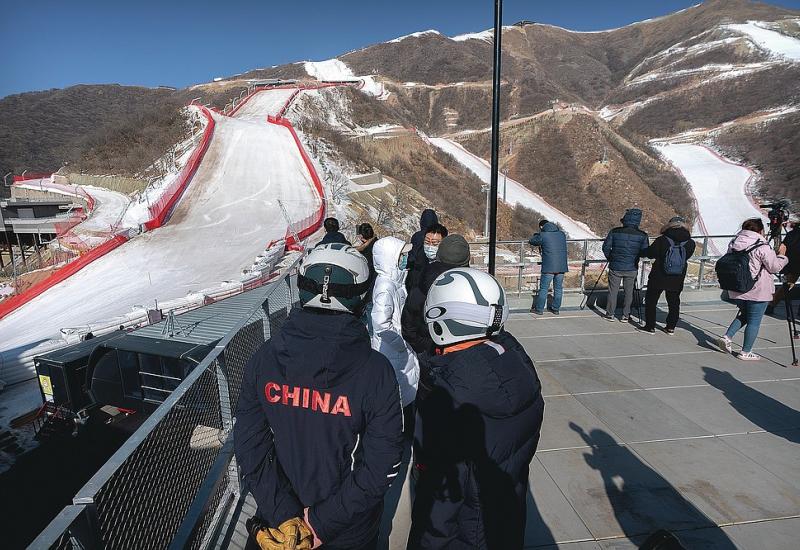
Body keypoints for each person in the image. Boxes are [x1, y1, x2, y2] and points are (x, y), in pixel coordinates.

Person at [234, 243, 404, 550]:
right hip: (346, 528)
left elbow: (250, 447)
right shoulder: (376, 372)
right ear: (362, 298)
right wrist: (319, 524)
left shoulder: (264, 359)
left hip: (279, 526)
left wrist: (285, 516)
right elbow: (382, 465)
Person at [408, 268, 545, 548]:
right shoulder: (514, 360)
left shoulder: (449, 402)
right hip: (505, 519)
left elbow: (439, 505)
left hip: (464, 534)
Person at [715, 218, 788, 360]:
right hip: (758, 290)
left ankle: (727, 337)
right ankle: (745, 352)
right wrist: (782, 256)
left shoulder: (734, 243)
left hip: (737, 288)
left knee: (745, 314)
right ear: (761, 231)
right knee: (754, 321)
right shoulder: (762, 247)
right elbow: (774, 267)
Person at [370, 236, 420, 432]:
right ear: (390, 258)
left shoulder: (394, 282)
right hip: (393, 352)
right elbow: (381, 325)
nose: (405, 259)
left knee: (403, 392)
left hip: (398, 352)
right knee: (397, 395)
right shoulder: (385, 286)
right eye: (402, 255)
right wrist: (402, 345)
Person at [401, 234, 471, 360]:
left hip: (430, 351)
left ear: (439, 254)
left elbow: (409, 324)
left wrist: (426, 347)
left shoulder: (424, 278)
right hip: (468, 352)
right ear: (467, 258)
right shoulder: (474, 284)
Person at [640, 216, 697, 334]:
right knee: (674, 301)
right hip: (677, 276)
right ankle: (670, 327)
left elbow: (651, 253)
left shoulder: (662, 240)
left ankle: (650, 326)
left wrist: (642, 252)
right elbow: (686, 256)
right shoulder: (690, 243)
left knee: (651, 300)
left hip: (659, 274)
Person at [602, 208, 649, 322]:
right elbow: (645, 252)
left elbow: (606, 247)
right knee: (629, 292)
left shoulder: (615, 231)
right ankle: (626, 315)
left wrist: (611, 258)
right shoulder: (643, 235)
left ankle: (610, 314)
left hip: (615, 266)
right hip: (632, 267)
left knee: (613, 291)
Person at [529, 219, 568, 315]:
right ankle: (556, 309)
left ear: (542, 227)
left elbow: (532, 241)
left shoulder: (543, 235)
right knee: (558, 289)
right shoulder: (562, 234)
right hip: (561, 266)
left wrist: (537, 234)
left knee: (544, 289)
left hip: (549, 267)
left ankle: (539, 309)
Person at [767, 213, 800, 314]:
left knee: (786, 286)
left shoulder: (792, 234)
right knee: (787, 285)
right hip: (794, 263)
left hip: (792, 263)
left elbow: (783, 247)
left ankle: (771, 305)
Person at [406, 209, 439, 291]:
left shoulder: (417, 236)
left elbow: (412, 256)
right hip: (434, 273)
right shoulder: (438, 236)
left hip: (417, 274)